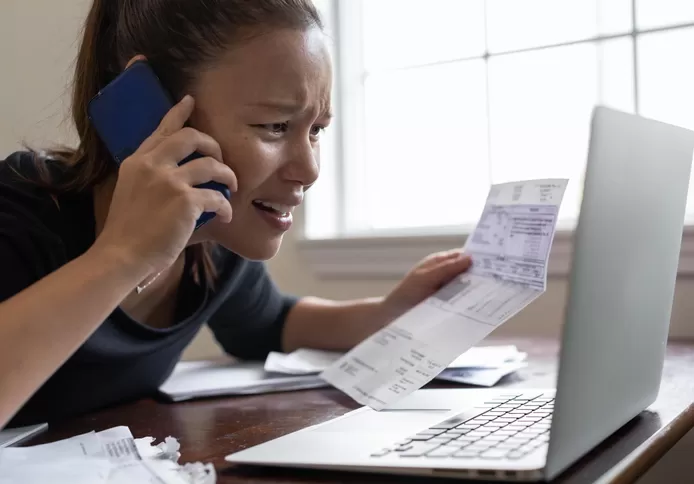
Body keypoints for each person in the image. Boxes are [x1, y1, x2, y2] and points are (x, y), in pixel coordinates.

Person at [0, 0, 472, 429]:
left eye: (316, 130)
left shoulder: (212, 241)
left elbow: (270, 323)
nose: (309, 170)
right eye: (275, 126)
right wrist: (125, 255)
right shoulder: (21, 214)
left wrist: (389, 313)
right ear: (148, 105)